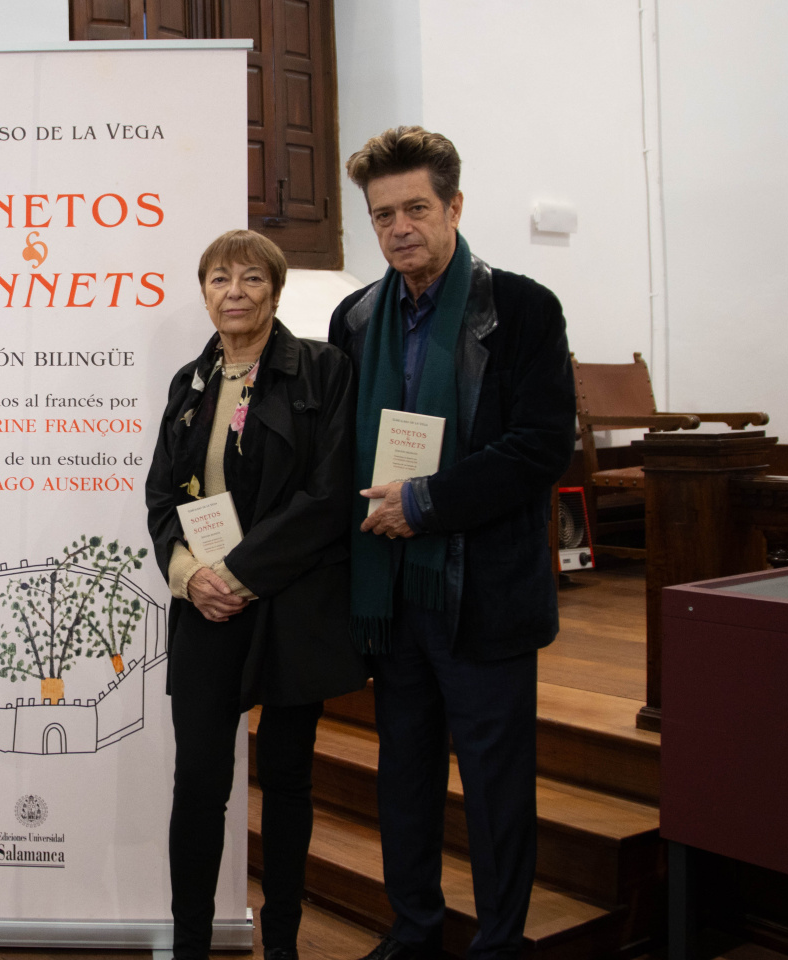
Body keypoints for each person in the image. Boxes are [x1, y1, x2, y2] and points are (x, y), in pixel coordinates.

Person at [329, 127, 576, 960]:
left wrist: (425, 502)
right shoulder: (356, 318)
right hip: (393, 594)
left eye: (416, 208)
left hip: (482, 591)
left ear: (455, 207)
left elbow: (542, 446)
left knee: (496, 786)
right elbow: (339, 451)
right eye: (382, 214)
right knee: (404, 776)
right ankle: (416, 930)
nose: (399, 227)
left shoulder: (523, 310)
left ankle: (501, 941)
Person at [146, 229, 368, 960]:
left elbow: (328, 494)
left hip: (290, 604)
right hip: (205, 605)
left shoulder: (324, 371)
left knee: (289, 779)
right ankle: (189, 947)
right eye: (217, 278)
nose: (232, 291)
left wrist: (239, 574)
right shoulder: (190, 382)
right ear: (203, 290)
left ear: (275, 289)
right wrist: (189, 577)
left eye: (248, 278)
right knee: (199, 784)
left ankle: (282, 944)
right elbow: (161, 498)